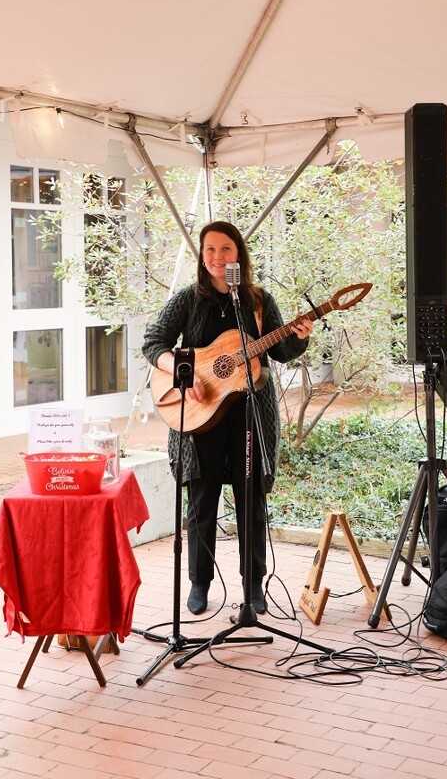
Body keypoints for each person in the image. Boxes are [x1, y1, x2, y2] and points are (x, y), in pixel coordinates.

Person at [142, 221, 313, 615]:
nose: (218, 257)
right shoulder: (189, 299)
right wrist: (182, 373)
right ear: (202, 257)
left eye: (226, 249)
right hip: (200, 412)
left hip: (250, 413)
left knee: (251, 498)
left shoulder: (257, 301)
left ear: (239, 254)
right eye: (210, 250)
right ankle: (199, 583)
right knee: (202, 499)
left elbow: (281, 351)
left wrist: (299, 337)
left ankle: (253, 587)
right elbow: (154, 343)